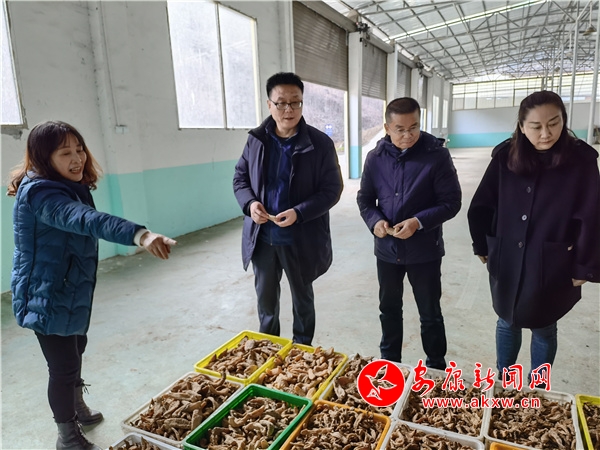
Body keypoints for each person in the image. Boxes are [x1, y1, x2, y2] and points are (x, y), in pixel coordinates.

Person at [8, 121, 177, 450]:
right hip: (44, 294)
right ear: (43, 158)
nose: (77, 159)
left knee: (76, 349)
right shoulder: (42, 194)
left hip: (69, 288)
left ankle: (76, 406)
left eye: (80, 149)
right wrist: (139, 235)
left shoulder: (66, 184)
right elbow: (85, 219)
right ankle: (67, 436)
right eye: (65, 153)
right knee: (62, 367)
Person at [467, 90, 599, 382]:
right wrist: (482, 243)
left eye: (554, 123)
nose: (546, 133)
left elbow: (591, 217)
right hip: (508, 254)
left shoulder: (581, 160)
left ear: (563, 120)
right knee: (507, 319)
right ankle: (505, 381)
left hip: (552, 257)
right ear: (521, 126)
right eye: (536, 126)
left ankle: (539, 386)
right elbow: (482, 204)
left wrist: (584, 266)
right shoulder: (505, 156)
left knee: (544, 324)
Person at [233, 72, 343, 345]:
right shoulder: (256, 140)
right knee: (266, 302)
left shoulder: (320, 144)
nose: (289, 109)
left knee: (302, 301)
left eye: (296, 102)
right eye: (281, 103)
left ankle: (302, 351)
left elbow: (332, 189)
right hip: (262, 238)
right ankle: (268, 350)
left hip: (300, 238)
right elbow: (240, 178)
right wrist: (250, 204)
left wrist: (300, 212)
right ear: (269, 105)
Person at [357, 97, 462, 370]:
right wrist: (375, 221)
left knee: (430, 312)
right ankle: (390, 365)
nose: (408, 135)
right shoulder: (375, 158)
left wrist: (417, 222)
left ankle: (436, 367)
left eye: (413, 127)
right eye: (400, 129)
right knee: (389, 309)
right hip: (387, 251)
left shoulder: (436, 156)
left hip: (424, 251)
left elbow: (451, 202)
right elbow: (365, 199)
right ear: (387, 128)